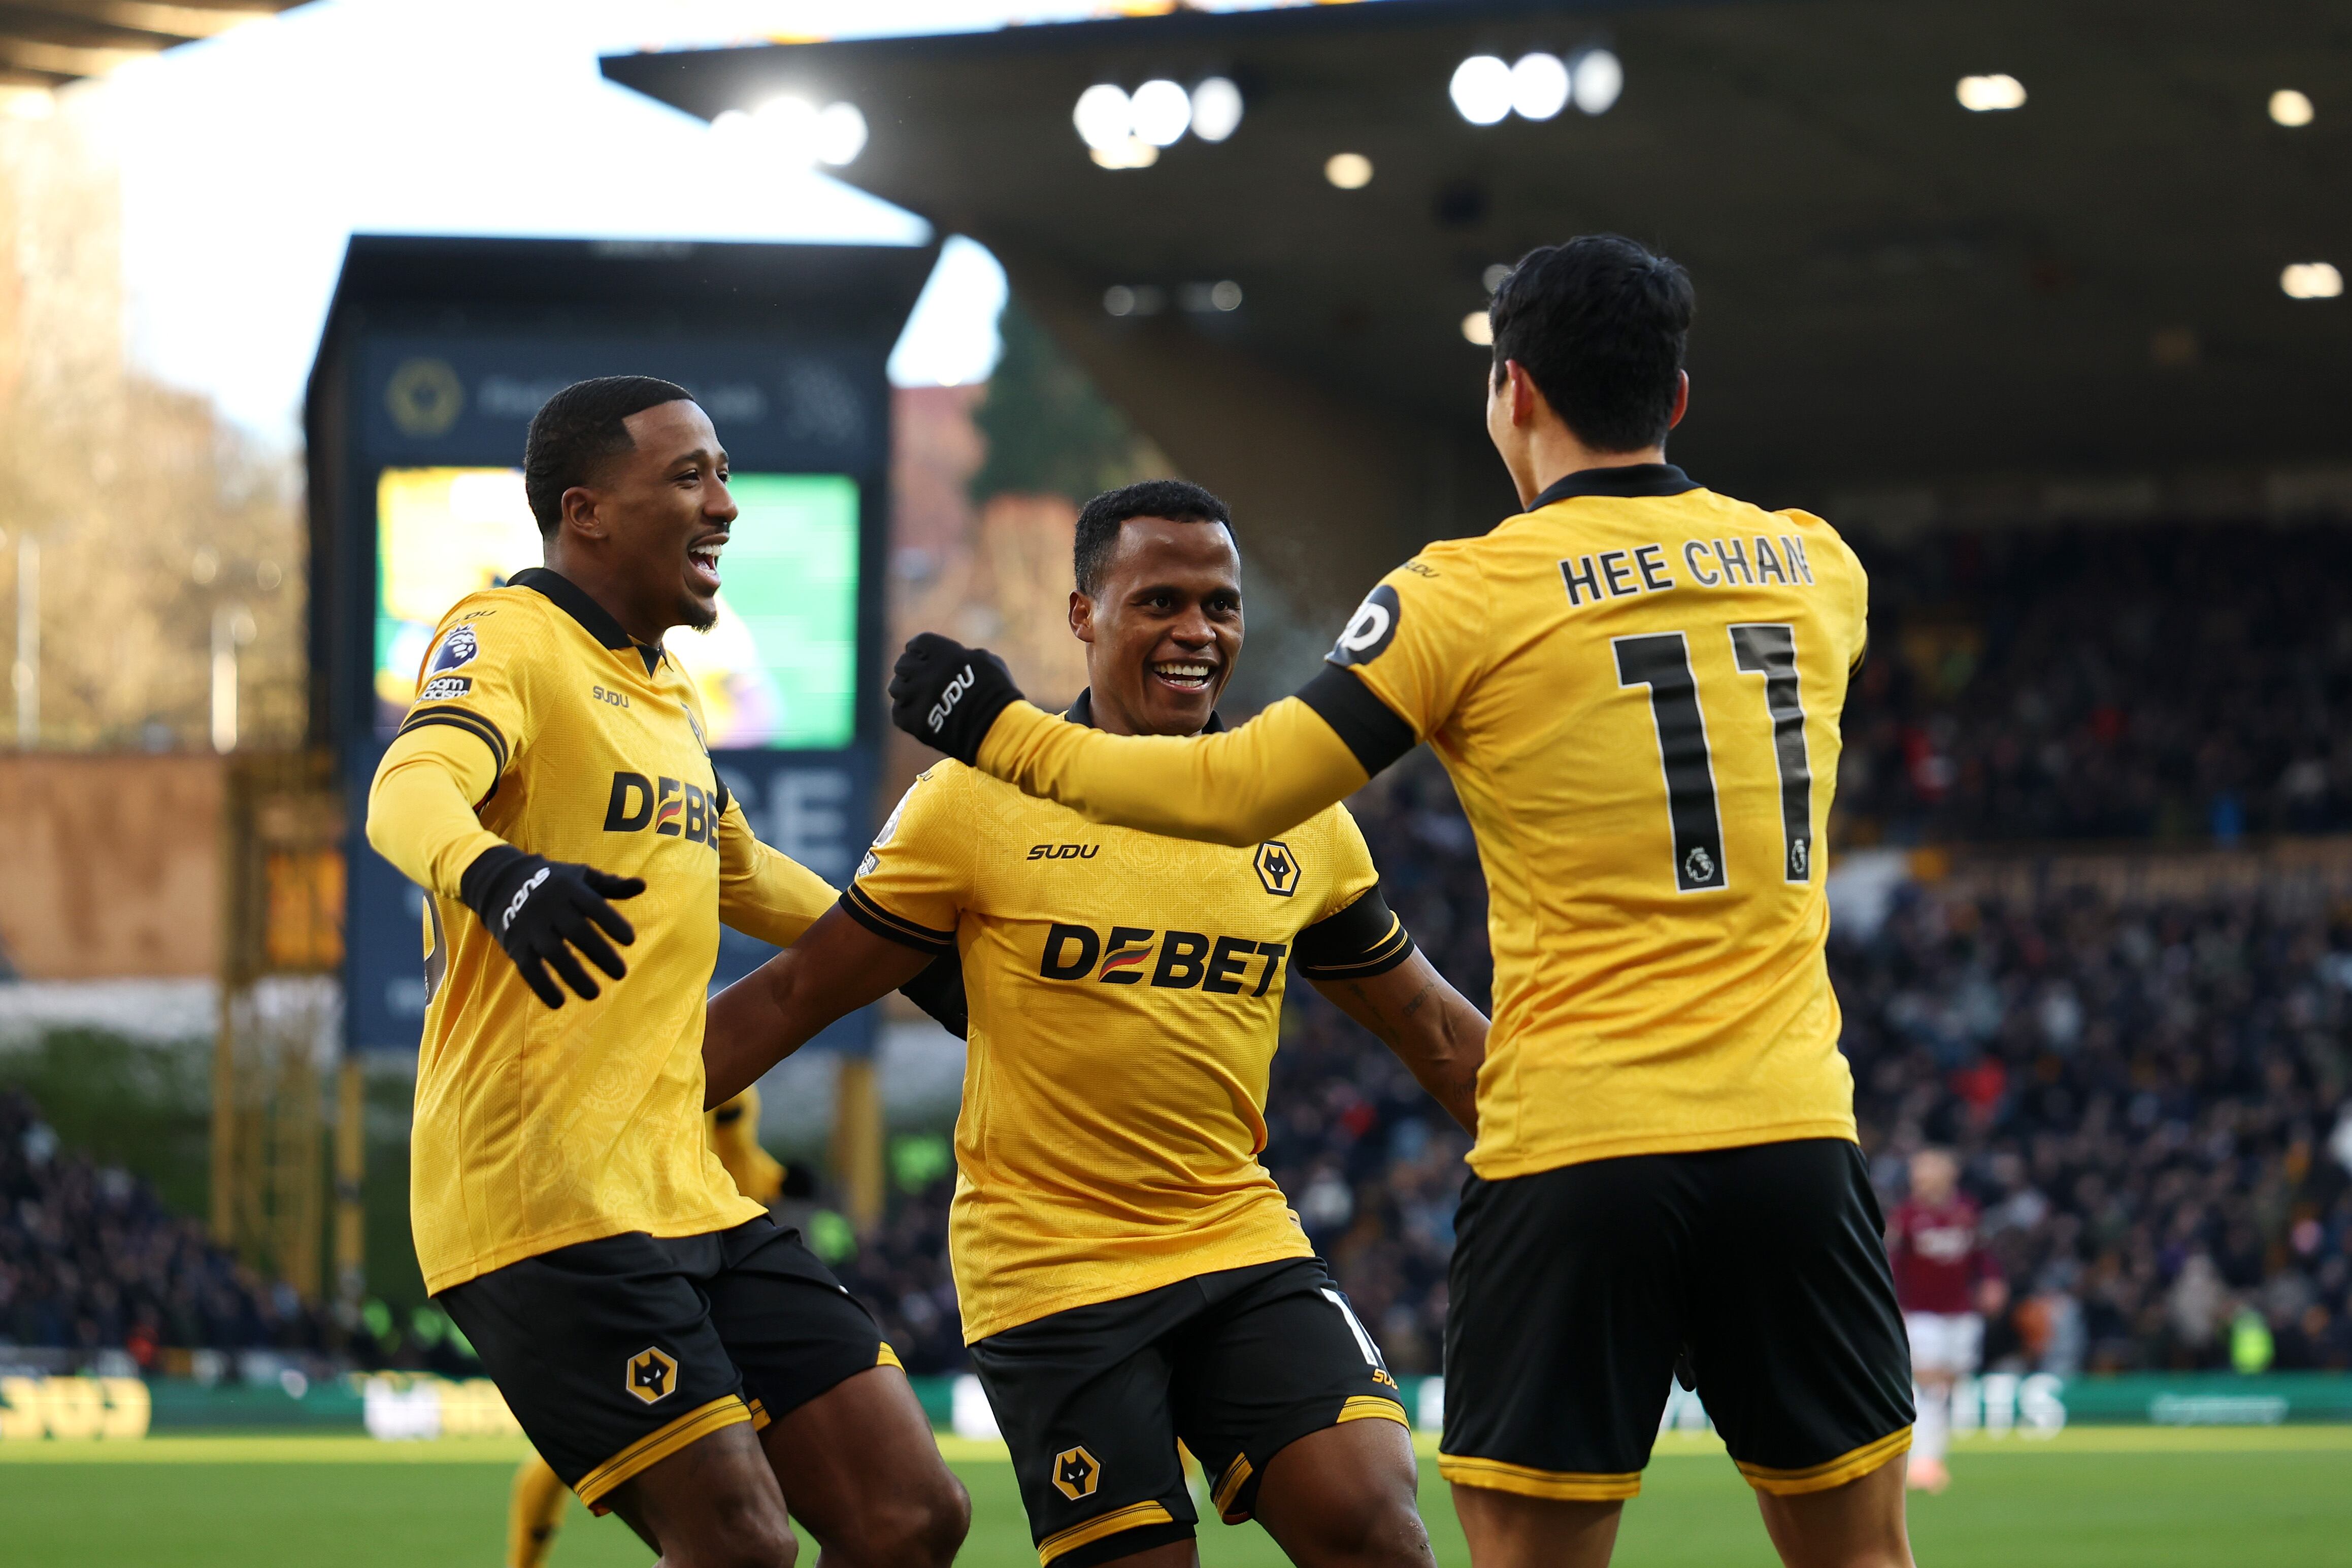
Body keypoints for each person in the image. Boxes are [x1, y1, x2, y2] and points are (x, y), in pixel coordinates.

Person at [884, 238, 1918, 1568]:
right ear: (1674, 399)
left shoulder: (1461, 595)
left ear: (1512, 394)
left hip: (1576, 1150)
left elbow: (1240, 790)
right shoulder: (1815, 567)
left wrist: (1003, 732)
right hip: (1792, 1141)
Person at [703, 479, 1490, 1568]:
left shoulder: (1297, 821)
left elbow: (1438, 1034)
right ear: (1083, 614)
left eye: (1219, 603)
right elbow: (796, 993)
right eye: (1158, 600)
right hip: (1051, 1267)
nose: (1196, 631)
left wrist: (1599, 1153)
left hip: (1235, 1236)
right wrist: (605, 1116)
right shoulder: (971, 803)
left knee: (1374, 1522)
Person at [366, 376, 969, 1568]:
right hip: (537, 1193)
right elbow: (407, 787)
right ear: (584, 512)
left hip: (680, 1185)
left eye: (726, 472)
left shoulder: (666, 688)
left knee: (911, 1513)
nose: (726, 506)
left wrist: (920, 955)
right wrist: (497, 876)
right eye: (689, 476)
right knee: (738, 1541)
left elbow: (739, 871)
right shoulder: (506, 635)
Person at [506, 1088, 788, 1568]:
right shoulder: (715, 1074)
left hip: (659, 1248)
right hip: (657, 1251)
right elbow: (740, 1165)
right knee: (737, 1529)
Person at [1885, 1148, 2003, 1494]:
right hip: (1921, 1312)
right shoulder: (1906, 1216)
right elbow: (1892, 1262)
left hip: (1960, 1311)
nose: (1919, 1179)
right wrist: (1894, 1304)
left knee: (1951, 1381)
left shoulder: (1966, 1211)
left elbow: (1983, 1255)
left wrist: (1992, 1281)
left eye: (1926, 1172)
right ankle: (1923, 1460)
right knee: (1927, 1380)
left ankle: (1933, 1456)